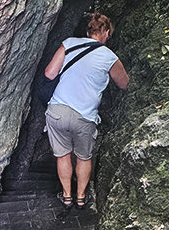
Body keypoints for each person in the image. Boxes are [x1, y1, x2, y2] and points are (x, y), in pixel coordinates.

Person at [43, 12, 129, 209]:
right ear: (106, 32)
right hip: (85, 116)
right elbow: (124, 84)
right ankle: (81, 198)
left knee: (63, 155)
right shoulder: (109, 56)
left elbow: (49, 74)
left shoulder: (69, 43)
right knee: (84, 157)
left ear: (88, 31)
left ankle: (66, 197)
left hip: (58, 110)